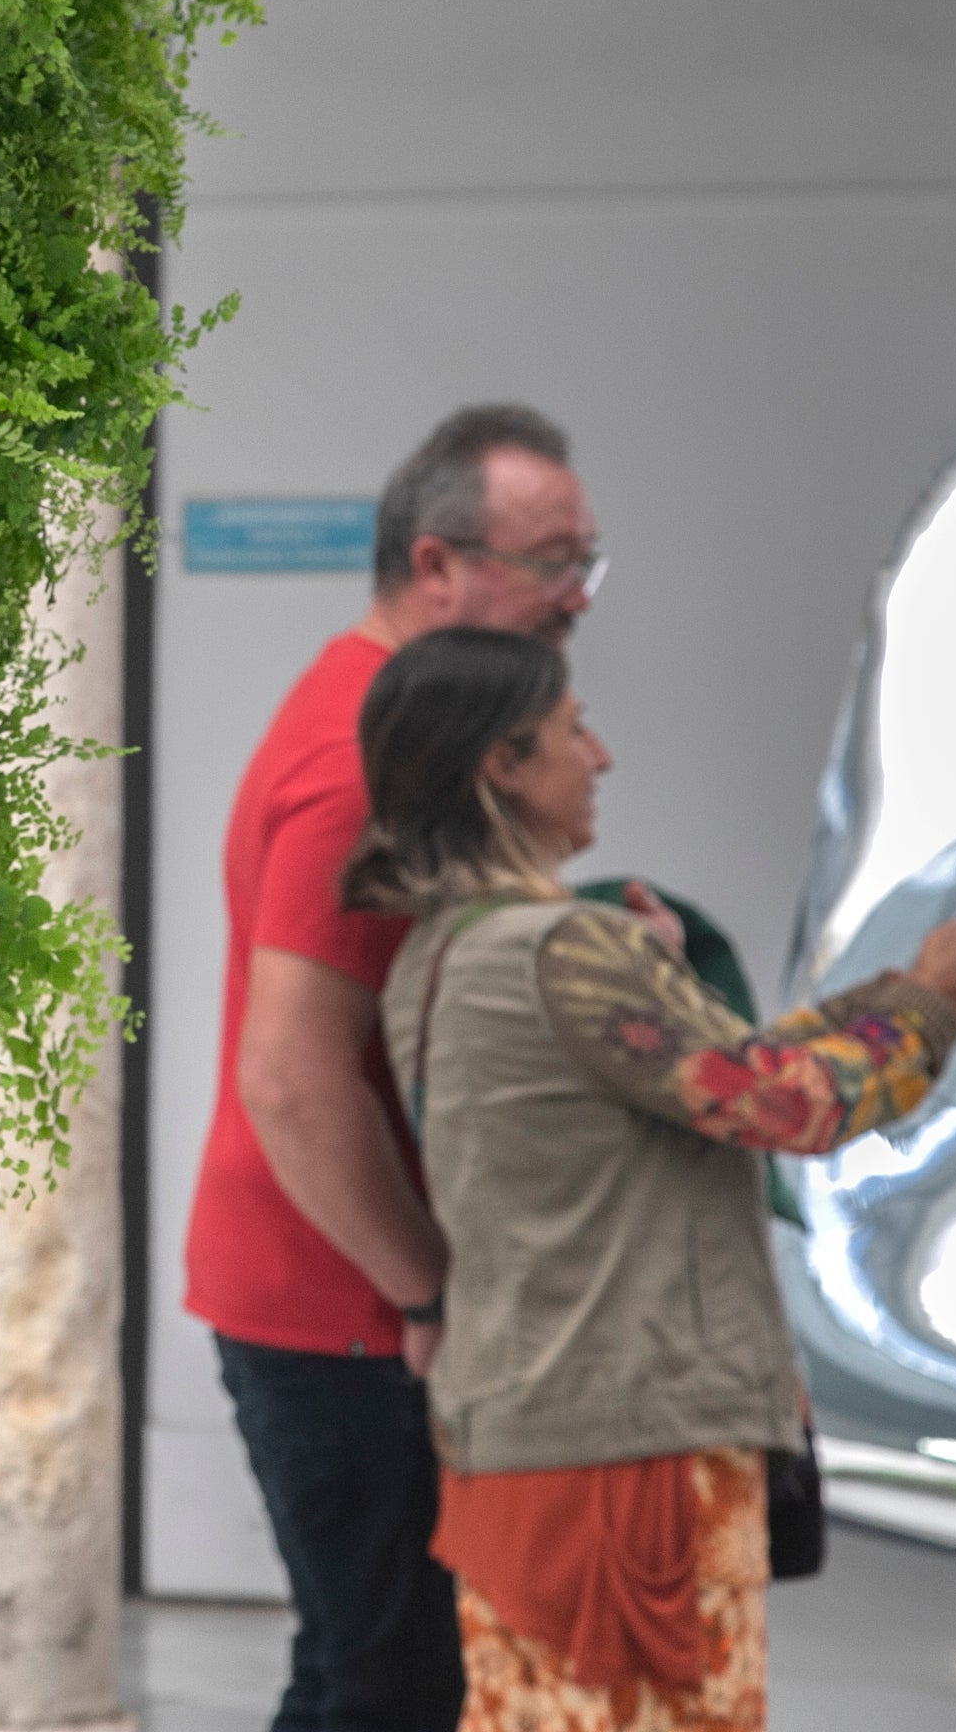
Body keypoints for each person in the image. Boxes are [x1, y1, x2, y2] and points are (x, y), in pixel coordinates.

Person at [350, 627, 956, 1732]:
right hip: (628, 1456)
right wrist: (930, 1005)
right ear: (504, 766)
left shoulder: (444, 953)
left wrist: (911, 991)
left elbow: (728, 1078)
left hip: (529, 1442)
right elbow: (787, 1102)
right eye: (574, 728)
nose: (602, 754)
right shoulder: (568, 949)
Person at [180, 405, 599, 1732]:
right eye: (549, 562)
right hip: (347, 1305)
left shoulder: (387, 718)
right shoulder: (357, 762)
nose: (575, 597)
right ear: (436, 568)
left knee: (368, 1667)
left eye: (589, 559)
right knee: (397, 1683)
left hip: (352, 1295)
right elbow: (295, 1082)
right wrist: (428, 1290)